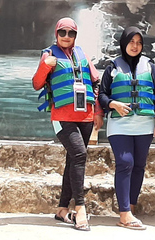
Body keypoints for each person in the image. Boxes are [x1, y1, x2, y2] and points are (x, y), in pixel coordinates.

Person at [33, 17, 103, 232]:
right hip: (62, 118)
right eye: (62, 32)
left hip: (86, 117)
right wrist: (45, 67)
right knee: (80, 155)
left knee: (73, 160)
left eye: (71, 33)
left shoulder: (82, 54)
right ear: (56, 34)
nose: (66, 37)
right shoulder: (49, 54)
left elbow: (96, 81)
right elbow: (36, 84)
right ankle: (80, 208)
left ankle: (62, 209)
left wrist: (97, 111)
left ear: (75, 35)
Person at [99, 26, 155, 231]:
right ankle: (124, 214)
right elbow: (101, 95)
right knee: (125, 163)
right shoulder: (112, 67)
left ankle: (130, 207)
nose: (135, 46)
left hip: (144, 124)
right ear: (124, 43)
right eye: (131, 42)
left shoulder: (150, 66)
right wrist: (113, 104)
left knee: (138, 166)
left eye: (138, 43)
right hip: (119, 124)